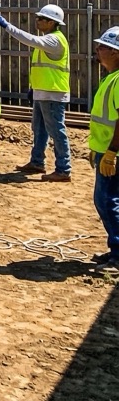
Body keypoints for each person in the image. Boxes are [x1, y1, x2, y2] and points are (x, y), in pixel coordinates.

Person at [0, 4, 72, 181]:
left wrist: (8, 26)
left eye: (41, 18)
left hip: (53, 93)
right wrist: (33, 88)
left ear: (52, 22)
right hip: (42, 92)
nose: (37, 20)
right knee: (39, 129)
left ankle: (63, 169)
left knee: (56, 131)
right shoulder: (48, 39)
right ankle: (37, 161)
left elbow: (29, 39)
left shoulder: (55, 40)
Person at [86, 26, 119, 271]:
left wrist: (110, 153)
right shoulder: (110, 77)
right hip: (104, 150)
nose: (97, 50)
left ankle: (118, 255)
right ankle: (114, 250)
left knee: (107, 201)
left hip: (113, 154)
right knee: (107, 200)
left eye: (103, 47)